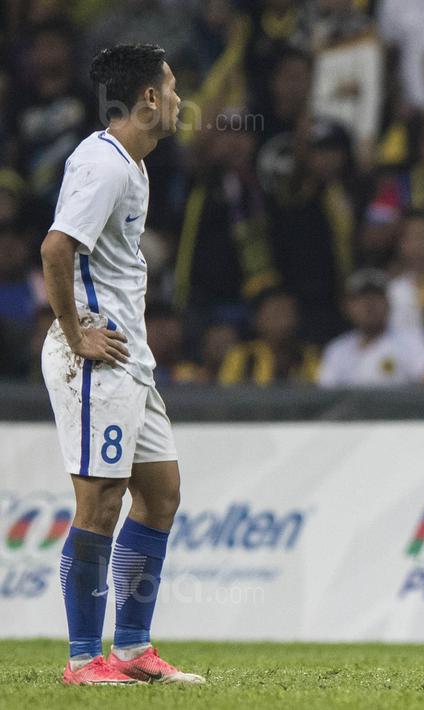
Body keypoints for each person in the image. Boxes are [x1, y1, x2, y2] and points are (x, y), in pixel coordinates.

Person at [39, 44, 204, 685]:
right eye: (174, 87)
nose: (181, 100)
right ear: (149, 99)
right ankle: (84, 660)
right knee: (100, 503)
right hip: (95, 360)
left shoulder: (131, 165)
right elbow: (55, 250)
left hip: (130, 358)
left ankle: (133, 651)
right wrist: (75, 331)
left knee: (160, 494)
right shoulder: (102, 166)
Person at [317, 268, 424, 387]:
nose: (369, 305)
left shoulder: (410, 342)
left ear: (388, 302)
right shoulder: (337, 351)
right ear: (348, 307)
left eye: (376, 297)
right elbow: (324, 397)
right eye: (361, 299)